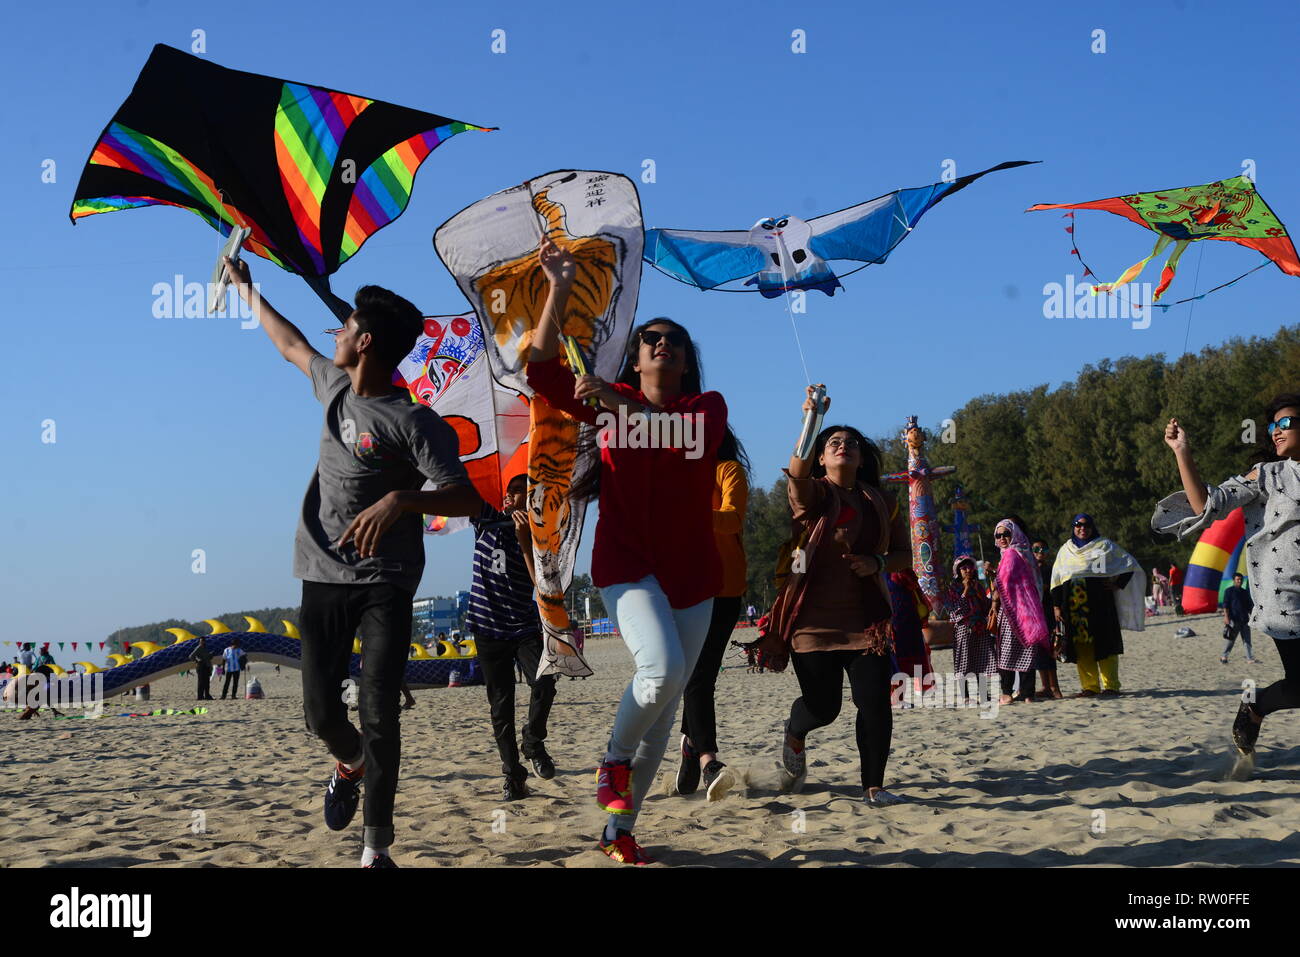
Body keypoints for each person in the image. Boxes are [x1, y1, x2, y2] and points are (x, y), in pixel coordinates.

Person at [225, 255, 479, 868]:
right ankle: (351, 762)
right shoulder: (334, 386)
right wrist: (248, 290)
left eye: (343, 328)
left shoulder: (417, 422)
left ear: (364, 341)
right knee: (319, 712)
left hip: (386, 583)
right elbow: (290, 343)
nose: (333, 336)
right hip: (320, 573)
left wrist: (402, 498)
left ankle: (376, 850)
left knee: (380, 711)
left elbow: (468, 495)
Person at [527, 238, 726, 865]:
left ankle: (618, 830)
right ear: (635, 358)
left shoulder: (706, 409)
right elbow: (536, 369)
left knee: (665, 715)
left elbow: (683, 438)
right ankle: (612, 760)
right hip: (625, 564)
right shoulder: (604, 399)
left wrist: (615, 404)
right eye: (651, 338)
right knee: (661, 671)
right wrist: (558, 288)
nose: (662, 343)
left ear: (689, 363)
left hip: (695, 575)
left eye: (674, 340)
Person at [766, 387, 911, 806]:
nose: (843, 447)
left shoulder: (882, 501)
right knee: (824, 708)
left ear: (862, 458)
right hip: (810, 624)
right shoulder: (812, 496)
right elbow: (796, 471)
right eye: (833, 444)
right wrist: (811, 420)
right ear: (822, 458)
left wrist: (878, 563)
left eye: (851, 444)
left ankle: (874, 786)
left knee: (875, 706)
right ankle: (795, 732)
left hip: (867, 624)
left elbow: (904, 554)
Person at [1152, 397, 1300, 761]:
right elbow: (1206, 503)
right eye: (1272, 427)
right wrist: (1181, 451)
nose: (1276, 432)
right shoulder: (1268, 475)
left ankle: (1257, 706)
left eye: (1286, 424)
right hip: (1286, 597)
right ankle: (1256, 705)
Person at [467, 472, 558, 802]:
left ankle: (533, 741)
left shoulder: (538, 529)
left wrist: (523, 538)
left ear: (531, 497)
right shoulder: (486, 517)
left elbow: (540, 584)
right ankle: (513, 775)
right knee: (500, 708)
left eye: (519, 491)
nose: (511, 496)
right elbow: (471, 485)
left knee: (545, 681)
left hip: (522, 627)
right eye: (508, 491)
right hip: (487, 627)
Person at [677, 426, 749, 801]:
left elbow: (732, 518)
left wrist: (690, 514)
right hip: (680, 586)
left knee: (701, 675)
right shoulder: (671, 472)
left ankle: (704, 757)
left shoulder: (727, 471)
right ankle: (700, 753)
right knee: (695, 675)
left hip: (723, 587)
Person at [1049, 514, 1145, 698]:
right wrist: (1056, 606)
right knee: (1082, 646)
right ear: (1073, 527)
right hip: (1074, 608)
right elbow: (1057, 580)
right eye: (1078, 525)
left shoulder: (1103, 546)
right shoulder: (1065, 550)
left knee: (1106, 644)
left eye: (1086, 525)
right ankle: (1090, 687)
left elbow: (1129, 565)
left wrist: (1117, 584)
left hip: (1101, 606)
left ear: (1092, 527)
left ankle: (1111, 686)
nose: (1082, 528)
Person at [990, 519, 1051, 703]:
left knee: (1007, 651)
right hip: (1029, 611)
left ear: (1014, 534)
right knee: (1027, 650)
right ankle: (1027, 693)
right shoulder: (1026, 553)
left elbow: (1004, 583)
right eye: (998, 535)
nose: (1001, 538)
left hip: (1012, 612)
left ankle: (1007, 693)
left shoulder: (1010, 554)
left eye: (1005, 534)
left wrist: (994, 596)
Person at [947, 556, 997, 692]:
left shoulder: (978, 586)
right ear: (958, 571)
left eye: (970, 567)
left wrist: (979, 594)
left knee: (982, 661)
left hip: (980, 628)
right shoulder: (953, 588)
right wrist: (965, 591)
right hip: (964, 629)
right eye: (964, 568)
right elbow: (955, 610)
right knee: (963, 662)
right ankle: (966, 695)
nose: (968, 570)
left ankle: (982, 693)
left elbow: (986, 607)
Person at [1031, 539, 1064, 698]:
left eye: (1043, 549)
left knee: (1050, 650)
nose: (1040, 552)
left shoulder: (1051, 570)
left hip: (1048, 613)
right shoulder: (1028, 570)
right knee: (1038, 652)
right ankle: (1045, 686)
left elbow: (1056, 591)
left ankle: (1054, 687)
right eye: (1036, 549)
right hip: (1033, 615)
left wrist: (1057, 608)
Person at [1220, 573, 1256, 665]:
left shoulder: (1245, 592)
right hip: (1233, 619)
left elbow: (1249, 606)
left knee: (1247, 641)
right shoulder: (1229, 591)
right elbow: (1225, 605)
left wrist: (1252, 617)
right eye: (1237, 579)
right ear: (1234, 580)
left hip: (1244, 620)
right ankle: (1224, 656)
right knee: (1230, 640)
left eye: (1241, 579)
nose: (1239, 581)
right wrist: (1226, 617)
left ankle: (1249, 658)